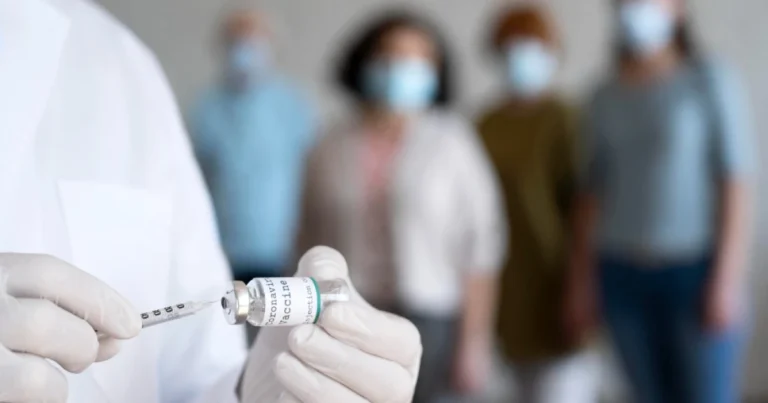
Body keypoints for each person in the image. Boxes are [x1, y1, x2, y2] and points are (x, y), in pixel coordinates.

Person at [0, 1, 420, 402]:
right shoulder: (208, 109)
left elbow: (196, 372)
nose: (247, 48)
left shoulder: (117, 63)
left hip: (273, 247)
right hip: (236, 240)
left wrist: (248, 393)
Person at [293, 11, 507, 402]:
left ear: (435, 72)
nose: (400, 69)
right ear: (366, 63)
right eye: (389, 56)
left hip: (432, 317)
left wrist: (474, 342)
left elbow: (481, 247)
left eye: (416, 60)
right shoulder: (329, 144)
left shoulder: (452, 143)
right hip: (347, 314)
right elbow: (305, 238)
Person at [566, 0, 756, 402]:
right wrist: (582, 280)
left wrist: (727, 279)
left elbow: (735, 181)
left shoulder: (708, 80)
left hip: (694, 272)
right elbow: (591, 194)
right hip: (620, 275)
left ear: (679, 9)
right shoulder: (603, 96)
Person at [475, 4, 599, 403]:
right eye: (511, 47)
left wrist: (581, 287)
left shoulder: (566, 119)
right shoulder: (485, 125)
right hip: (507, 284)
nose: (520, 57)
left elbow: (586, 207)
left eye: (531, 45)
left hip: (557, 278)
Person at [191, 9, 315, 283]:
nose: (244, 49)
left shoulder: (292, 104)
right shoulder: (207, 107)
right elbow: (199, 176)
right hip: (223, 246)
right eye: (237, 41)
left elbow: (311, 175)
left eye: (252, 40)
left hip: (282, 248)